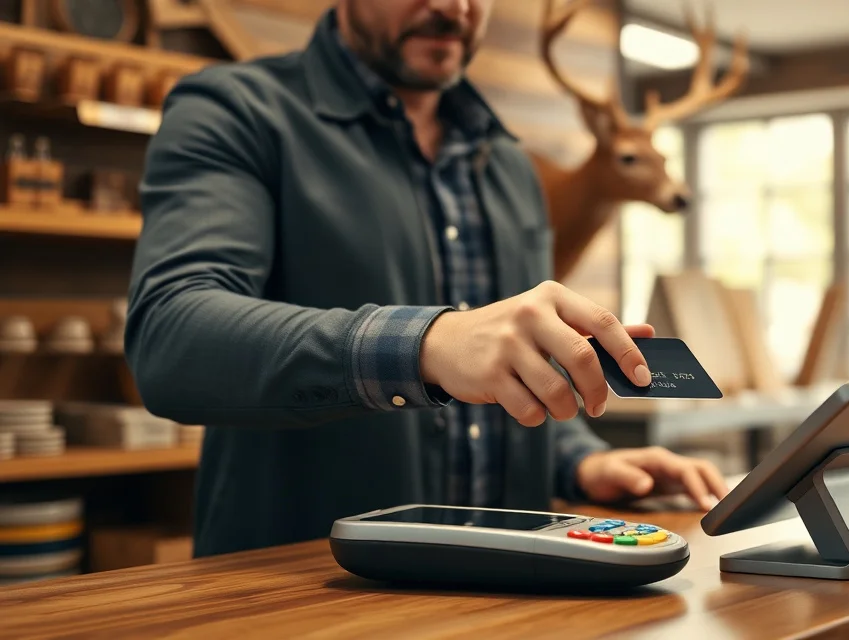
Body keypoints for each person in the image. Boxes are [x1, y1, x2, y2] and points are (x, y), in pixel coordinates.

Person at [126, 0, 728, 557]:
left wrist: (578, 463)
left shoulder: (510, 165)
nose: (452, 7)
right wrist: (427, 345)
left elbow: (491, 386)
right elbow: (171, 338)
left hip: (507, 592)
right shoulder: (234, 110)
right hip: (304, 596)